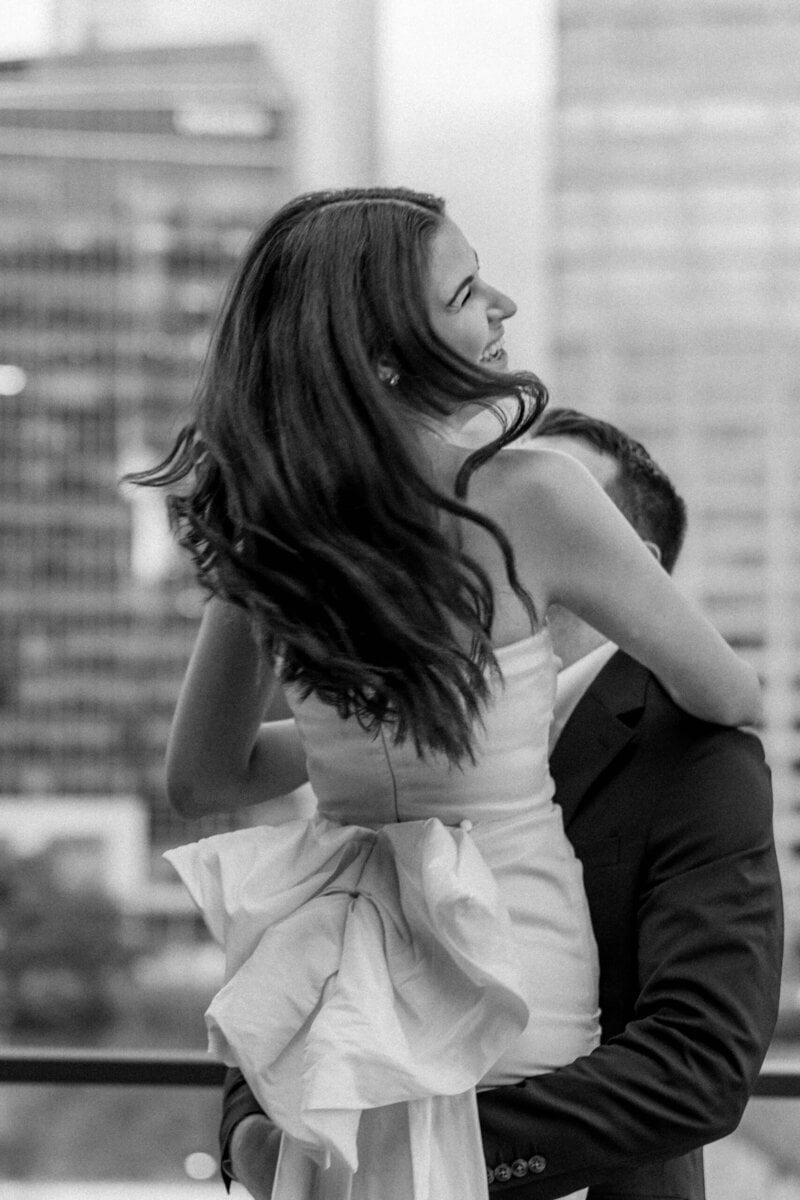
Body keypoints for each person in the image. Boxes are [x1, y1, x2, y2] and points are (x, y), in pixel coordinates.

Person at [133, 187, 763, 1200]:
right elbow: (727, 692)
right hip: (508, 955)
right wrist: (522, 679)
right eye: (469, 291)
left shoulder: (268, 519)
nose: (500, 305)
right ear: (386, 357)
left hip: (345, 978)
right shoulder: (533, 491)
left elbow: (206, 777)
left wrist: (373, 718)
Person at [218, 408, 783, 1200]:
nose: (486, 522)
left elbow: (698, 1065)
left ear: (632, 566)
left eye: (539, 504)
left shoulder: (702, 756)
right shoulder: (393, 724)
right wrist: (251, 1129)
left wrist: (413, 1162)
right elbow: (314, 944)